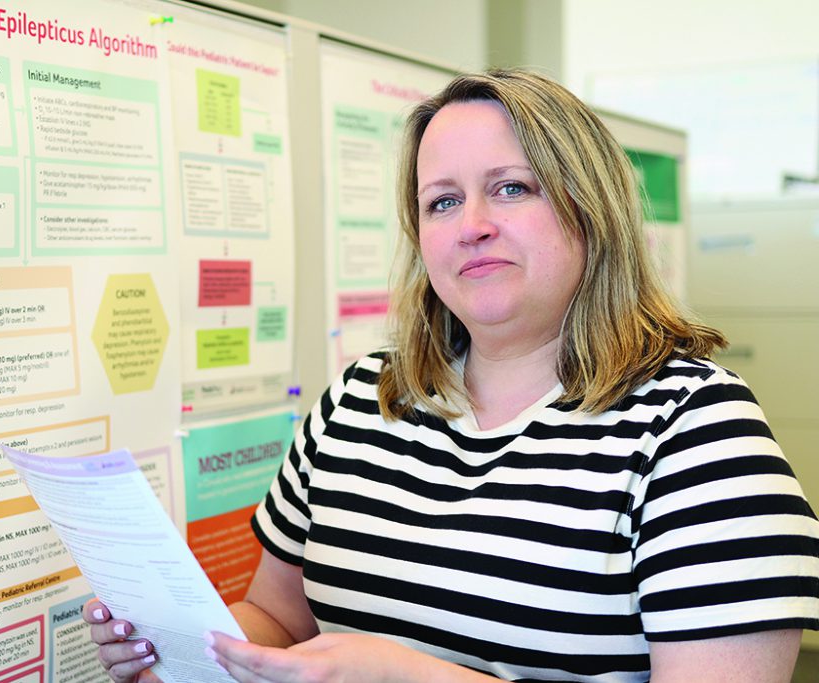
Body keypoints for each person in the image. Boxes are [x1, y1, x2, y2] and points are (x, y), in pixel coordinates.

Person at [84, 69, 819, 682]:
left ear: (591, 212)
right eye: (442, 200)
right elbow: (276, 619)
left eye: (511, 188)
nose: (471, 223)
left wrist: (408, 673)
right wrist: (188, 652)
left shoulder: (696, 433)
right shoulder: (359, 402)